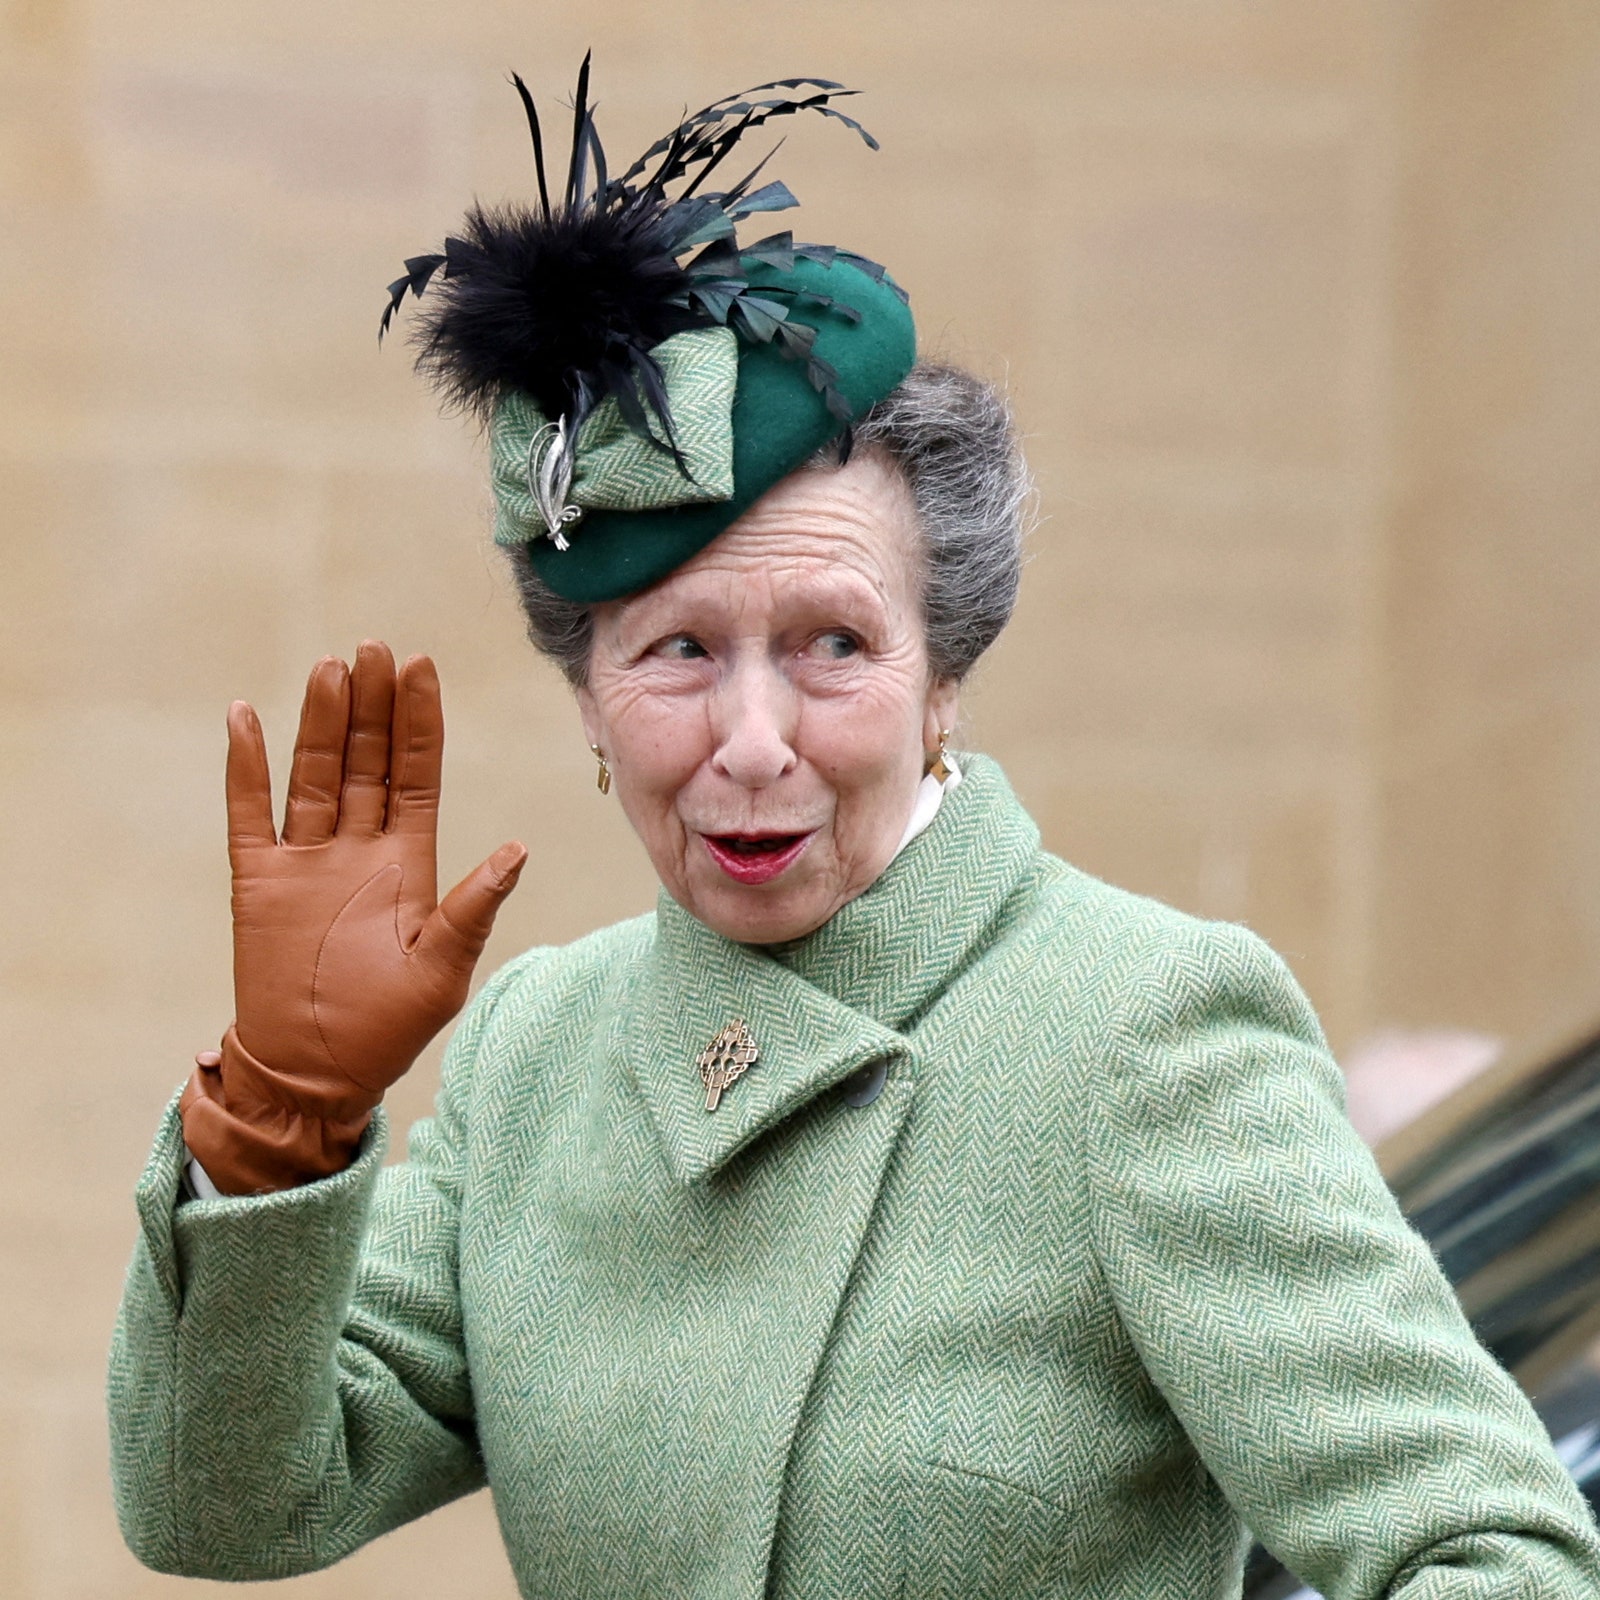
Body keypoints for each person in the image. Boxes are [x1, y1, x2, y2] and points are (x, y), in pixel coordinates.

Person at [108, 64, 1600, 1600]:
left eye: (833, 644)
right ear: (587, 702)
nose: (755, 743)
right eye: (676, 650)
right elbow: (225, 1513)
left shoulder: (1146, 1033)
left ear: (942, 672)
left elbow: (1493, 1554)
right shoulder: (539, 1054)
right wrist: (277, 1123)